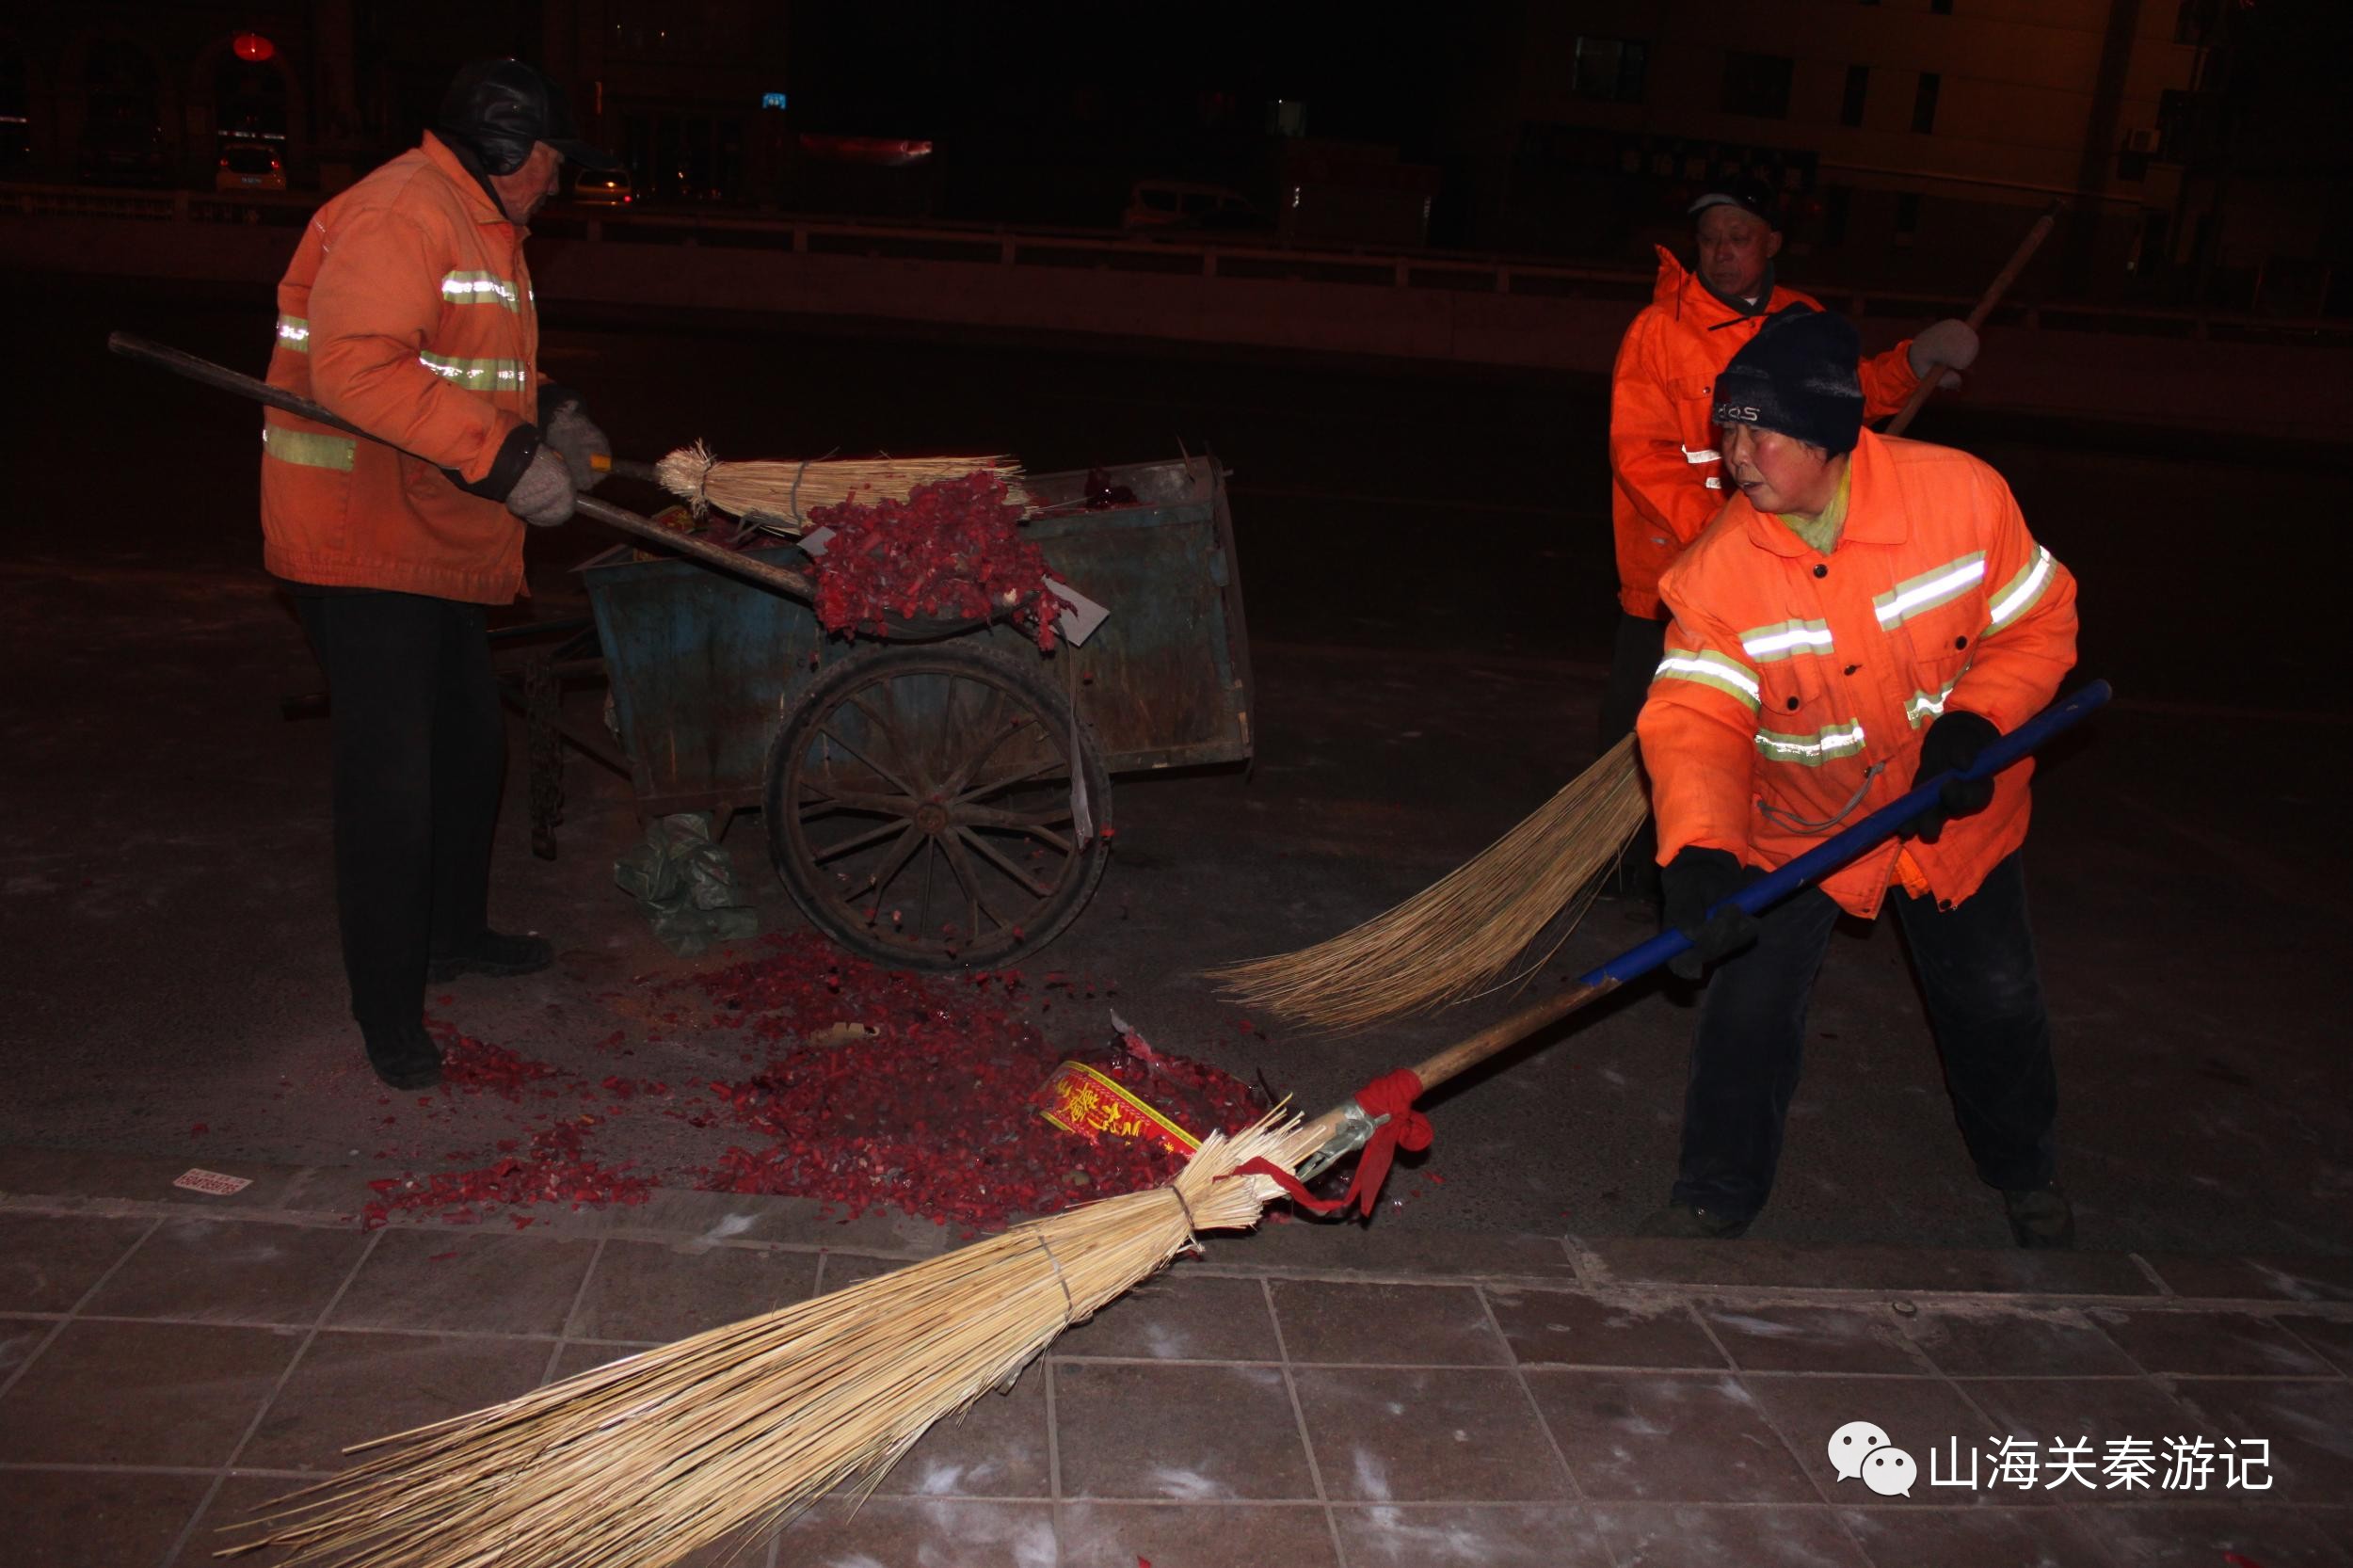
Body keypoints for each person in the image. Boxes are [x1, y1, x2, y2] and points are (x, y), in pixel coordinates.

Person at [1633, 305, 2079, 1247]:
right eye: (1729, 426)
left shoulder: (1961, 498)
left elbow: (2037, 624)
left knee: (1993, 1001)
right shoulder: (1716, 572)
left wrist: (1977, 722)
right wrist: (1702, 855)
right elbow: (1696, 719)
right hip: (1802, 825)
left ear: (1832, 439)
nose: (1736, 452)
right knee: (1746, 1012)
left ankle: (2024, 1173)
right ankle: (1713, 1194)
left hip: (1950, 810)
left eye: (1761, 430)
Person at [260, 59, 621, 1089]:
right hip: (358, 538)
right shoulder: (400, 214)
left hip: (425, 536)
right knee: (392, 788)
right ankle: (388, 1012)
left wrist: (553, 415)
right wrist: (508, 461)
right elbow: (361, 366)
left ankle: (454, 935)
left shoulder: (478, 223)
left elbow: (476, 362)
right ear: (509, 150)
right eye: (556, 161)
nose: (561, 182)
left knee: (469, 748)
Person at [1602, 178, 1980, 900]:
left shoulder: (1803, 321)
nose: (1721, 253)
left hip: (1778, 577)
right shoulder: (1659, 331)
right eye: (1709, 240)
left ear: (1772, 243)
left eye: (1738, 237)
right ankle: (1639, 872)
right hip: (1668, 581)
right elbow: (1641, 456)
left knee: (1755, 729)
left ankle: (1736, 856)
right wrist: (1725, 536)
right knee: (1649, 727)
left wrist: (1914, 362)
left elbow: (1847, 400)